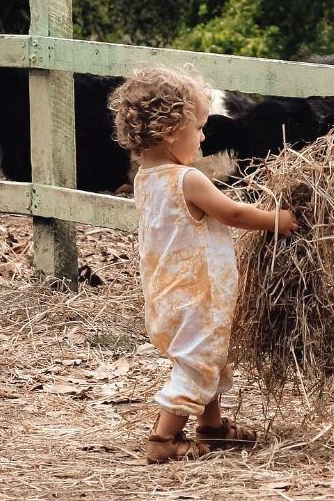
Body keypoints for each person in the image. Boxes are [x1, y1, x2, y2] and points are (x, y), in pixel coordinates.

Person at [108, 65, 298, 463]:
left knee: (209, 359)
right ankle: (163, 440)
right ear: (170, 131)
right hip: (200, 294)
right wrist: (278, 220)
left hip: (169, 293)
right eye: (198, 127)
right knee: (197, 366)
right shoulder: (188, 179)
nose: (204, 136)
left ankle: (211, 426)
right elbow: (233, 214)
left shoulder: (146, 177)